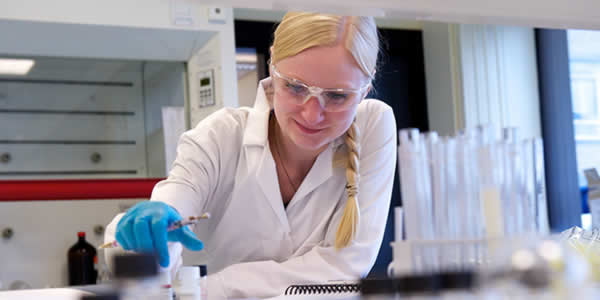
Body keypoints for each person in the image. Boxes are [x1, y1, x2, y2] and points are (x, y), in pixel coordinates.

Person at [105, 11, 397, 299]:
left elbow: (344, 266)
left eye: (336, 96)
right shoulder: (220, 136)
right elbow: (178, 201)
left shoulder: (373, 126)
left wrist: (212, 288)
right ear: (272, 66)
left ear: (366, 88)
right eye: (295, 87)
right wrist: (149, 236)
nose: (312, 113)